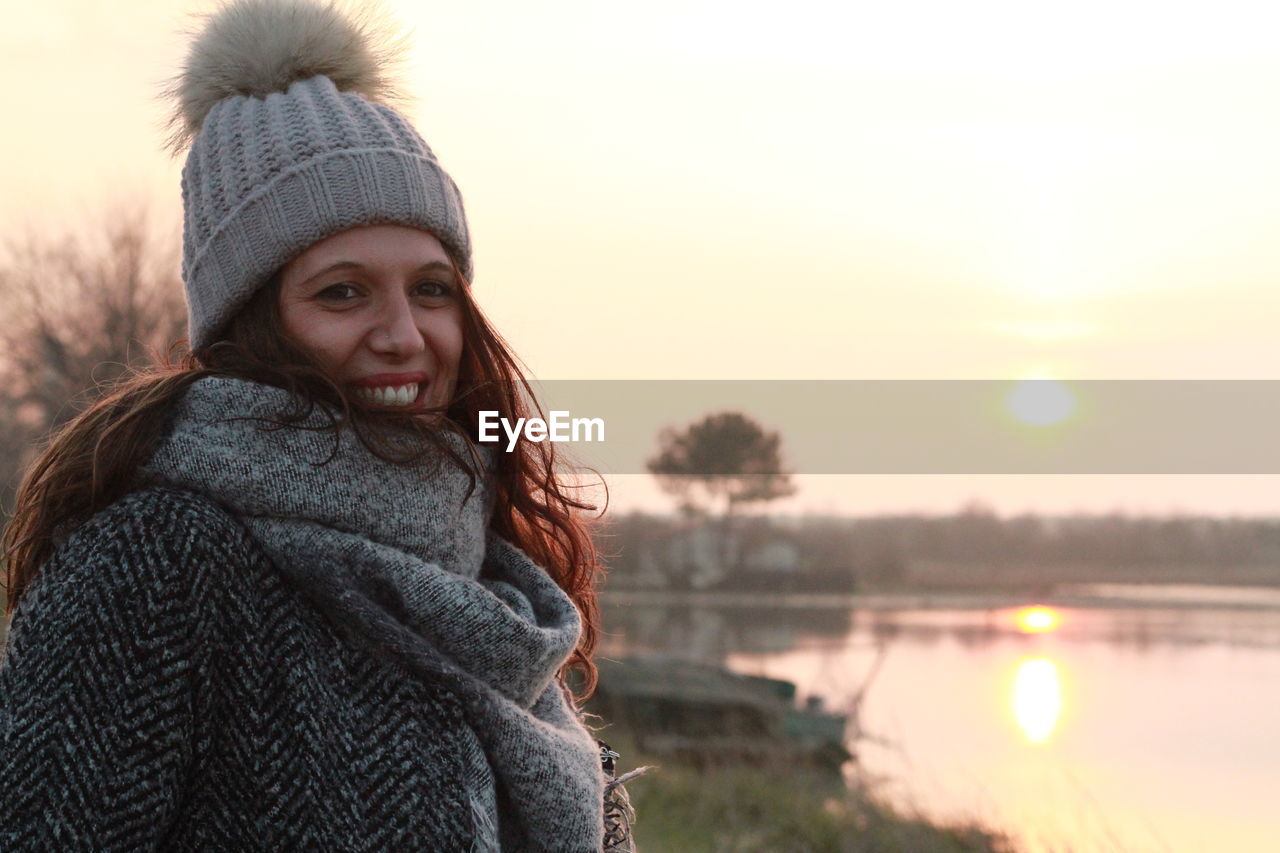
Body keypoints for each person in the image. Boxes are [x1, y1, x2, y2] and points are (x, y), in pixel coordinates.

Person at [0, 0, 637, 850]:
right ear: (251, 322)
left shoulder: (485, 583)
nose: (404, 335)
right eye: (343, 291)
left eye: (432, 288)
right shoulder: (158, 557)